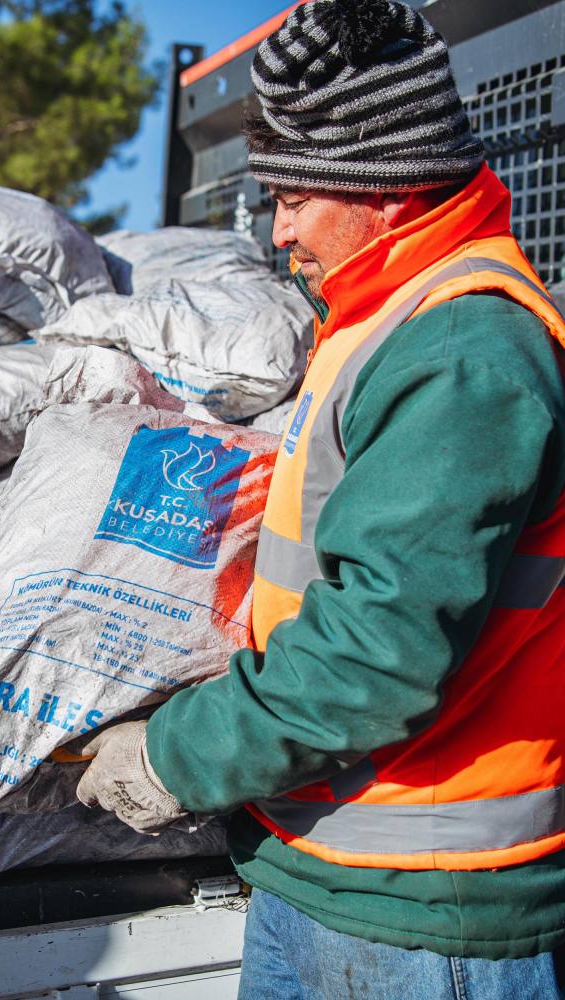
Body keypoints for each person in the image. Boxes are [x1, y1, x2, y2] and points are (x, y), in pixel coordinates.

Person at [76, 1, 565, 996]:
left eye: (296, 197)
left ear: (382, 191)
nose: (277, 228)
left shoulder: (465, 354)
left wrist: (170, 756)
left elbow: (370, 657)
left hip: (427, 910)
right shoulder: (378, 320)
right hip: (326, 863)